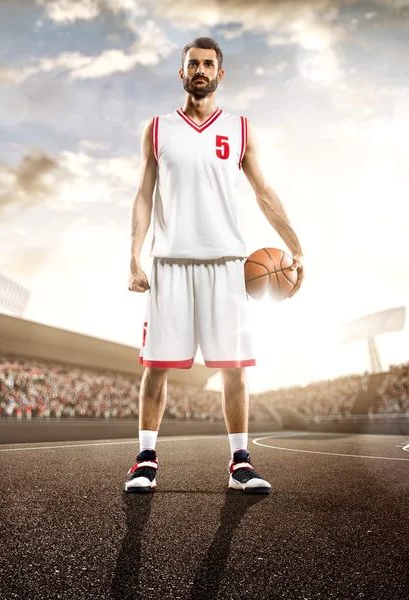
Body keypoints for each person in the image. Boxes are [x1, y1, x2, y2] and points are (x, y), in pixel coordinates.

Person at [126, 37, 304, 494]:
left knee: (234, 368)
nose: (200, 70)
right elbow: (144, 196)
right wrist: (133, 258)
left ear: (220, 74)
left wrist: (295, 246)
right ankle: (145, 460)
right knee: (156, 367)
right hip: (170, 260)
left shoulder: (240, 128)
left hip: (227, 261)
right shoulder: (158, 128)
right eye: (192, 64)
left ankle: (240, 463)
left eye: (208, 64)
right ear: (181, 73)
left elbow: (264, 193)